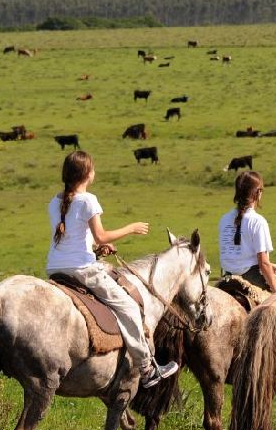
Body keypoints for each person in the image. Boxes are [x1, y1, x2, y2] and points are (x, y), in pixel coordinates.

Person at [47, 150, 178, 388]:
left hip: (56, 267)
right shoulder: (88, 200)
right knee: (128, 306)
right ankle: (147, 368)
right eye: (93, 168)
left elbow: (77, 237)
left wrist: (98, 247)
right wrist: (131, 228)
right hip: (82, 269)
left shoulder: (55, 202)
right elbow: (101, 234)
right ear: (87, 174)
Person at [218, 170, 276, 291]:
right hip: (250, 278)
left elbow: (238, 257)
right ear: (258, 193)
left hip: (227, 278)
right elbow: (263, 263)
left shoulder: (223, 220)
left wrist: (272, 265)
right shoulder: (258, 221)